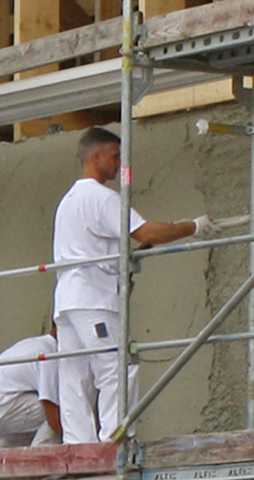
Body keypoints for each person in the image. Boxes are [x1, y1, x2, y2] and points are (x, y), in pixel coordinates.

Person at [47, 127, 205, 445]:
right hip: (94, 299)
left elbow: (98, 245)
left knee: (74, 378)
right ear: (96, 156)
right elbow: (147, 233)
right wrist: (193, 226)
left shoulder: (68, 201)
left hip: (67, 301)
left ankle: (78, 448)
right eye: (115, 156)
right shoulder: (102, 198)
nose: (119, 164)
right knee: (117, 368)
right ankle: (114, 443)